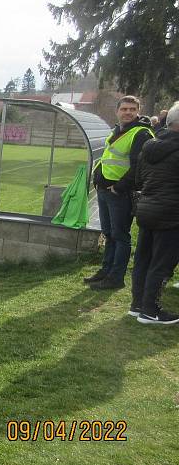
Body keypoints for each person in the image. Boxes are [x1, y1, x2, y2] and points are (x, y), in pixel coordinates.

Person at [85, 95, 155, 290]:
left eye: (132, 109)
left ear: (138, 111)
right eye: (124, 109)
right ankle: (106, 270)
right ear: (117, 111)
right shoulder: (119, 130)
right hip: (105, 190)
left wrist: (118, 187)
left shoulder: (141, 133)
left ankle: (116, 278)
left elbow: (138, 167)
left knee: (120, 236)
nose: (128, 112)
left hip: (119, 193)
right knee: (108, 233)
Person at [131, 101, 179, 324]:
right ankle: (150, 311)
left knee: (143, 259)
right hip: (171, 215)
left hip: (147, 210)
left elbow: (139, 179)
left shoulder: (149, 145)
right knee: (161, 264)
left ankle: (138, 304)